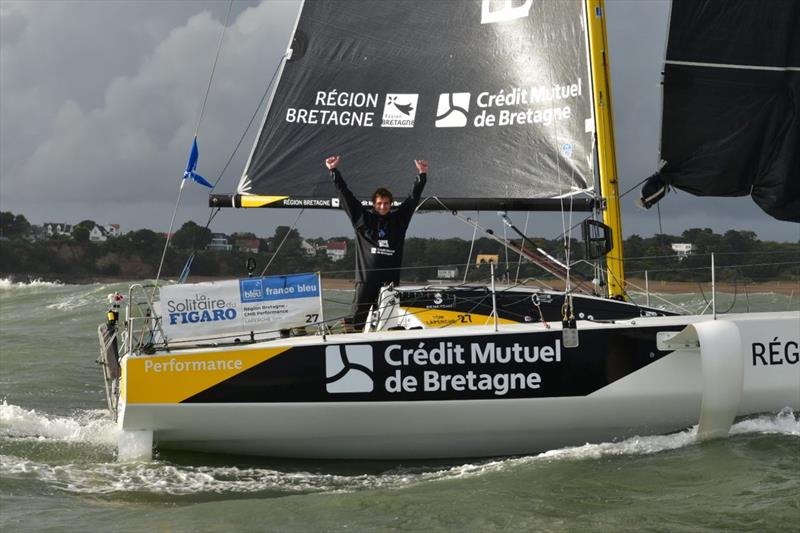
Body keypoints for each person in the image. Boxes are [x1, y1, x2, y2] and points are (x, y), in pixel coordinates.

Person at [325, 155, 428, 331]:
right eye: (379, 203)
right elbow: (345, 196)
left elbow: (412, 199)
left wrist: (422, 175)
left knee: (388, 322)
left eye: (386, 203)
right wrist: (333, 171)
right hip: (366, 281)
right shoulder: (362, 218)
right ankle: (350, 341)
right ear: (374, 204)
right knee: (356, 321)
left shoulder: (399, 220)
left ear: (391, 204)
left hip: (389, 283)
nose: (383, 207)